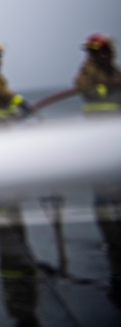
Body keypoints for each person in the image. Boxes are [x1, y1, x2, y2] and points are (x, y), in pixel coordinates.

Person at [75, 33, 121, 305]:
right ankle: (113, 247)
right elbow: (87, 89)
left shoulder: (113, 71)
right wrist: (113, 86)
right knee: (105, 198)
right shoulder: (88, 72)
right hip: (100, 141)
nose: (99, 56)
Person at [74, 33, 121, 115]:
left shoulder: (114, 71)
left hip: (116, 118)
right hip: (97, 119)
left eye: (107, 51)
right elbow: (90, 91)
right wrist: (110, 86)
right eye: (92, 53)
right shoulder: (87, 72)